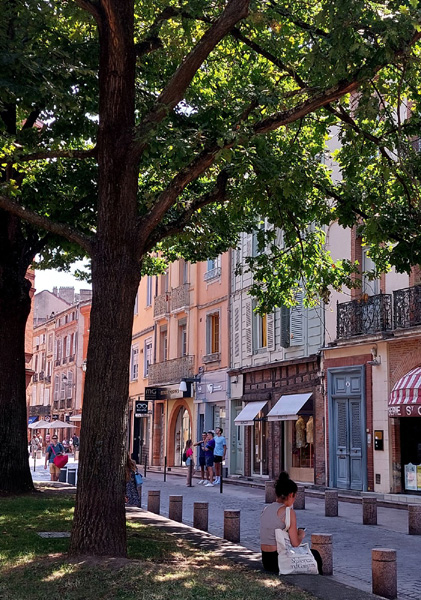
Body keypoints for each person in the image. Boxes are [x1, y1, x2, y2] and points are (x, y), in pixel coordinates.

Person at [260, 471, 322, 574]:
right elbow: (295, 543)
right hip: (280, 561)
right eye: (295, 496)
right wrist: (301, 534)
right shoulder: (288, 512)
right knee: (316, 555)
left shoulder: (266, 509)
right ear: (291, 495)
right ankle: (318, 581)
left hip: (266, 560)